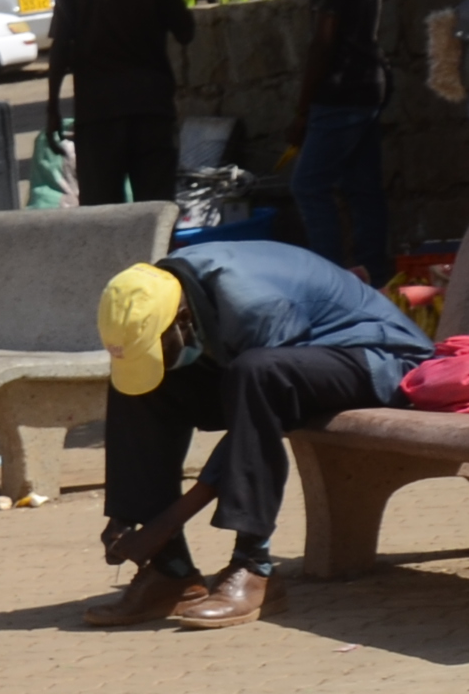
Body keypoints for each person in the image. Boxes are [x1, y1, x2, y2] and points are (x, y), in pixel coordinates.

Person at [87, 245, 428, 630]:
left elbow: (261, 412)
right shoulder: (159, 290)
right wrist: (127, 515)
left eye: (162, 345)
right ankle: (170, 570)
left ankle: (254, 566)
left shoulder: (258, 305)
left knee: (258, 372)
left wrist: (168, 520)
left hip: (376, 360)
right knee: (137, 388)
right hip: (287, 366)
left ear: (182, 318)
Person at [47, 0, 194, 207]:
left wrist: (52, 109)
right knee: (155, 210)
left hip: (96, 115)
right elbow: (186, 31)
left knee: (103, 214)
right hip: (150, 111)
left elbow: (60, 47)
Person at [294, 0, 394, 283]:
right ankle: (376, 272)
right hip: (372, 84)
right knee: (362, 185)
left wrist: (302, 110)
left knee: (308, 185)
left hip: (340, 90)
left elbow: (322, 43)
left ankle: (330, 277)